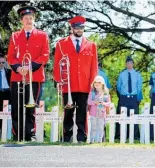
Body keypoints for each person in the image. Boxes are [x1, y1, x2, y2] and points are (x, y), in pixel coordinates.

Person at [7, 6, 50, 141]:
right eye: (26, 19)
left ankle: (30, 134)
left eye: (31, 18)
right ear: (22, 21)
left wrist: (31, 67)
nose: (29, 21)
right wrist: (19, 68)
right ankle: (17, 134)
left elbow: (45, 55)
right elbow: (10, 56)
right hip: (17, 77)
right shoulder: (15, 36)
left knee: (31, 107)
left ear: (34, 19)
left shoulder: (43, 35)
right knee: (17, 107)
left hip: (35, 77)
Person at [53, 16, 98, 143]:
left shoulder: (91, 45)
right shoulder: (61, 44)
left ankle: (82, 137)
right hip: (68, 84)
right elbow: (57, 63)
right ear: (72, 28)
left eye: (82, 28)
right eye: (77, 28)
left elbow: (94, 67)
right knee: (68, 112)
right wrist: (57, 80)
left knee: (82, 113)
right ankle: (66, 137)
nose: (79, 30)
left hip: (84, 85)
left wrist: (93, 83)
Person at [115, 56, 142, 140]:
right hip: (124, 98)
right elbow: (118, 87)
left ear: (133, 64)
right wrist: (122, 95)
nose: (129, 64)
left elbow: (139, 87)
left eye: (130, 63)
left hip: (133, 98)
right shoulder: (122, 74)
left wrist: (138, 98)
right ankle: (120, 135)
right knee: (121, 117)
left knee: (134, 117)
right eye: (127, 63)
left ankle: (135, 136)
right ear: (125, 64)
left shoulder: (137, 74)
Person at [88, 76, 111, 143]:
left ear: (102, 84)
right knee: (93, 127)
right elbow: (89, 102)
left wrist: (103, 103)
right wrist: (95, 102)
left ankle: (100, 140)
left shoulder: (106, 94)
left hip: (102, 113)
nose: (97, 83)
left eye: (99, 82)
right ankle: (92, 140)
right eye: (95, 82)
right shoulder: (92, 93)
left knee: (101, 127)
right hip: (93, 113)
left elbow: (109, 103)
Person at [0, 54, 11, 133]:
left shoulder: (9, 72)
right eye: (0, 63)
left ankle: (6, 132)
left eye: (3, 62)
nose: (1, 64)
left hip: (7, 93)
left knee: (6, 113)